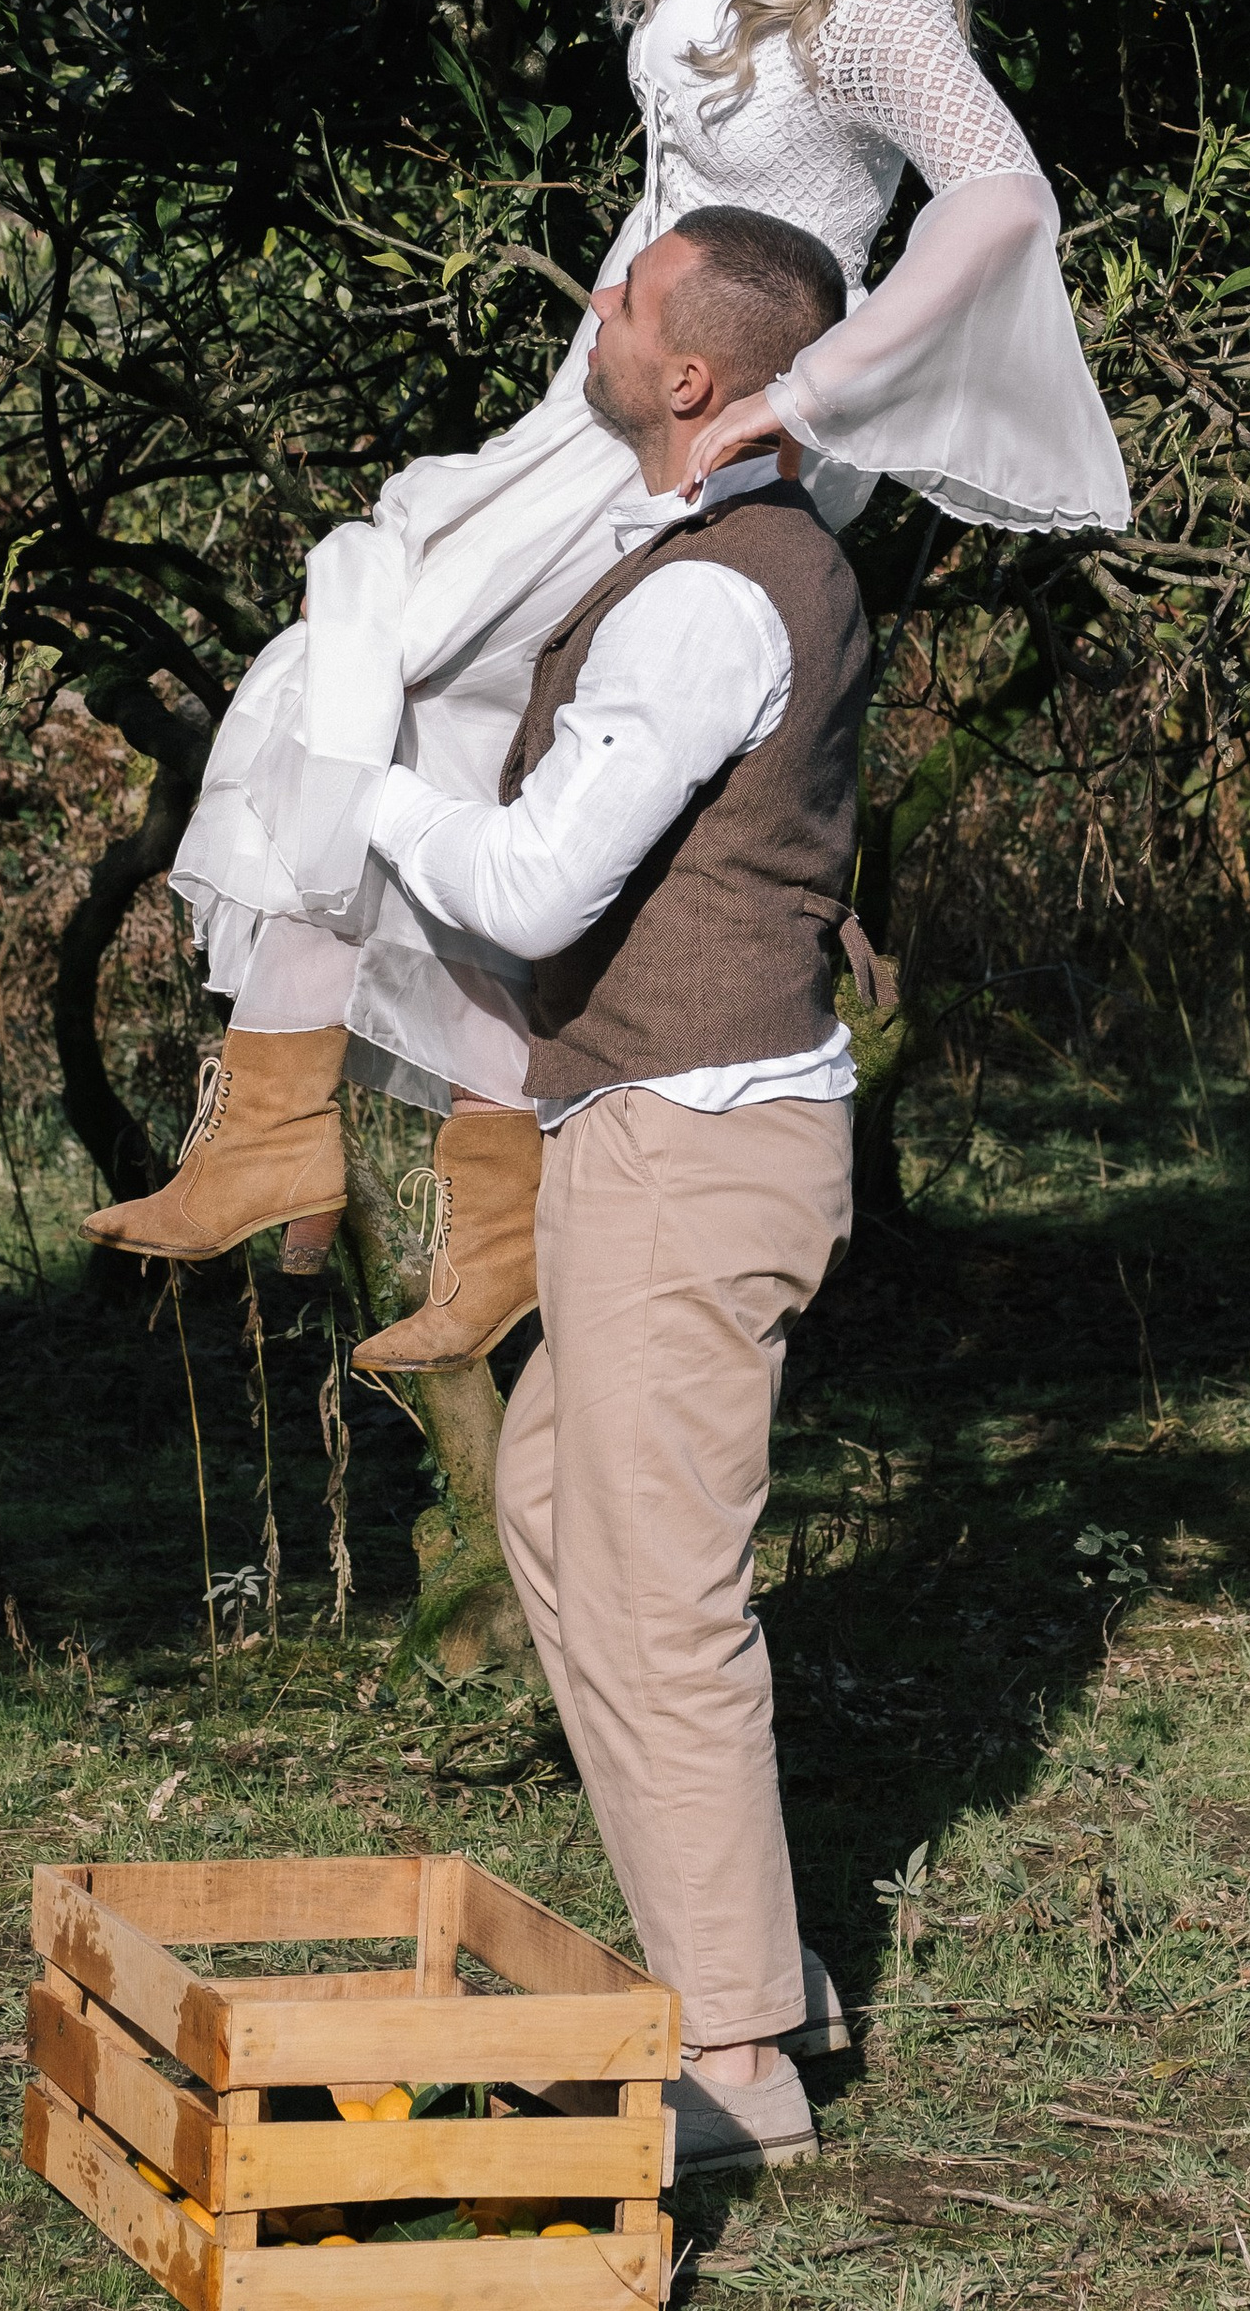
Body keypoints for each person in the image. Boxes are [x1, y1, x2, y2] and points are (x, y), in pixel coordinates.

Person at [86, 0, 1127, 1365]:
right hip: (607, 395)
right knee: (436, 717)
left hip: (697, 422)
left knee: (372, 634)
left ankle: (299, 1126)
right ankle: (414, 1174)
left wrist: (814, 395)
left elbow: (998, 194)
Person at [366, 202, 872, 2169]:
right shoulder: (705, 558)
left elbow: (532, 890)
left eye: (627, 293)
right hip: (663, 1130)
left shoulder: (710, 598)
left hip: (689, 1146)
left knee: (662, 1599)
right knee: (555, 1496)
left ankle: (736, 2058)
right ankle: (753, 1960)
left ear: (682, 377)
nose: (592, 297)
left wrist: (360, 780)